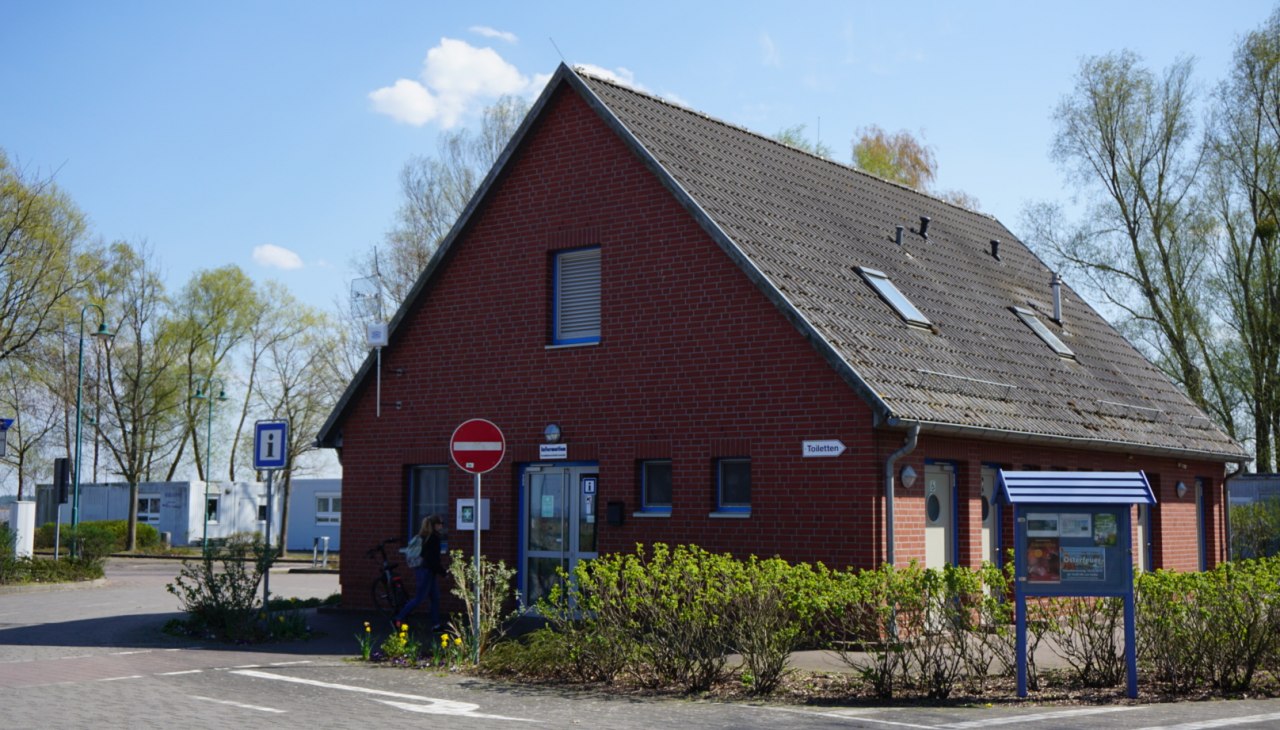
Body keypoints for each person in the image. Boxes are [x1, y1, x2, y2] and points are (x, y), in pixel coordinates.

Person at [394, 515, 446, 629]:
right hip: (427, 571)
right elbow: (433, 559)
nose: (442, 525)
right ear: (434, 525)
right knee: (419, 598)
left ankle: (436, 624)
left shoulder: (424, 537)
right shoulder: (433, 538)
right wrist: (443, 572)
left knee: (435, 597)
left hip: (424, 570)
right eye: (440, 523)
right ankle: (398, 618)